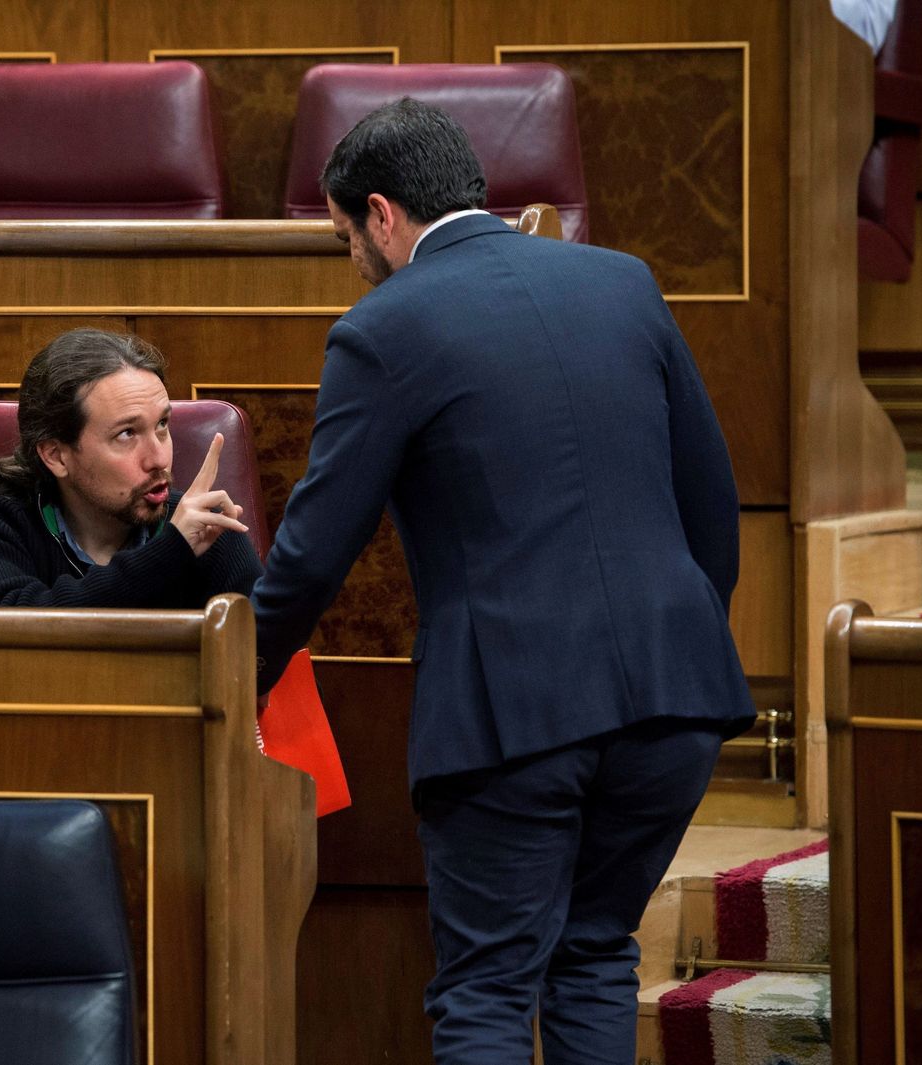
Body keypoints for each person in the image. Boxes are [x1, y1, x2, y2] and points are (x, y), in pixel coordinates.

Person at [247, 99, 756, 1064]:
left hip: (512, 711)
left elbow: (317, 550)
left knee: (486, 985)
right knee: (595, 951)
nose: (350, 256)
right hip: (674, 694)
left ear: (383, 213)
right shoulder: (624, 283)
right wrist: (680, 640)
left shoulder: (382, 328)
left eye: (344, 233)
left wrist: (238, 669)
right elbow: (712, 500)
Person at [0, 327, 262, 608]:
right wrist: (168, 555)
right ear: (57, 456)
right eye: (126, 434)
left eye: (162, 425)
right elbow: (9, 638)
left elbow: (257, 659)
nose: (159, 459)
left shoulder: (206, 533)